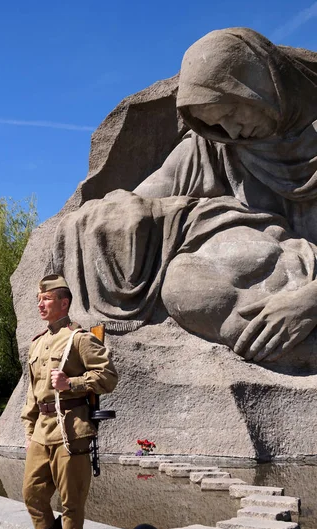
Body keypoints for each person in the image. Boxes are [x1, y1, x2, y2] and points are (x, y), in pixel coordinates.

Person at [54, 28, 317, 365]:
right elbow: (141, 200)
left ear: (259, 85)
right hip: (272, 278)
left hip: (307, 287)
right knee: (183, 283)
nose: (232, 132)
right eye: (216, 124)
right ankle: (282, 348)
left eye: (232, 113)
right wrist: (98, 220)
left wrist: (307, 303)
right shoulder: (216, 146)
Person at [12, 274, 118, 529]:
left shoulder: (80, 339)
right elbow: (33, 393)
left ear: (64, 302)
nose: (40, 304)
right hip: (42, 432)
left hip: (71, 430)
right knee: (32, 494)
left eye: (46, 299)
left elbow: (108, 376)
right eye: (39, 299)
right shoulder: (38, 342)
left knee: (72, 502)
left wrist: (71, 384)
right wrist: (29, 429)